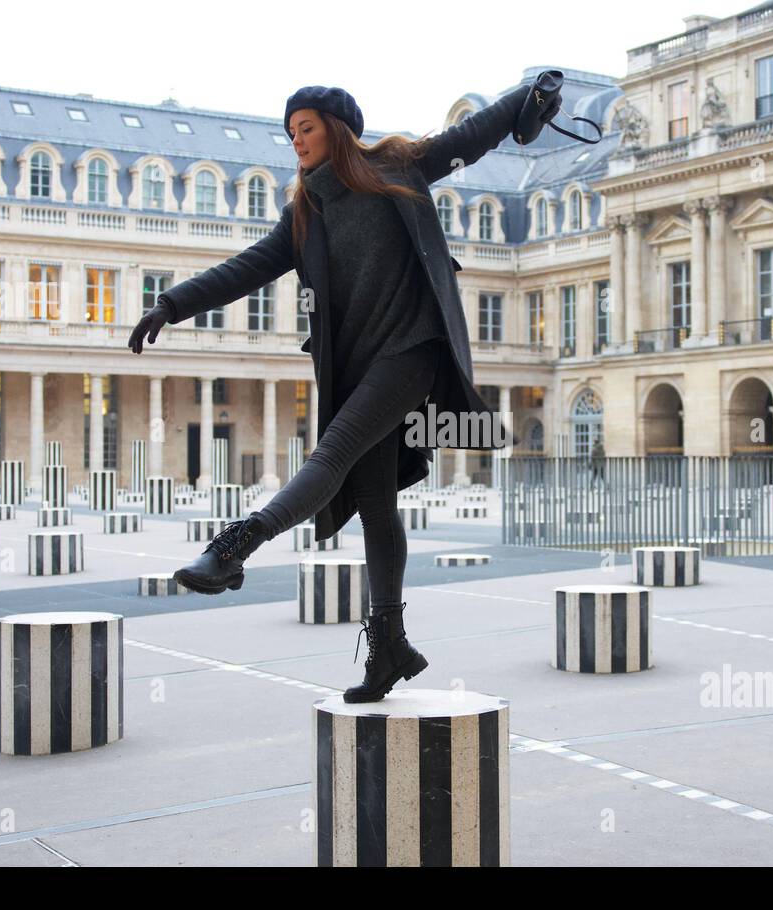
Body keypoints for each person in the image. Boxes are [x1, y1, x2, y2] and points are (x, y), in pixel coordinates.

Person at [127, 82, 527, 702]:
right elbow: (246, 268)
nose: (297, 141)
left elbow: (470, 138)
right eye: (290, 133)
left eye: (305, 128)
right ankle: (389, 645)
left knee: (330, 458)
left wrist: (530, 93)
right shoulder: (306, 213)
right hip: (357, 367)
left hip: (412, 351)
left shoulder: (398, 166)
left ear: (337, 128)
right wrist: (172, 303)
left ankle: (234, 546)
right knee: (374, 506)